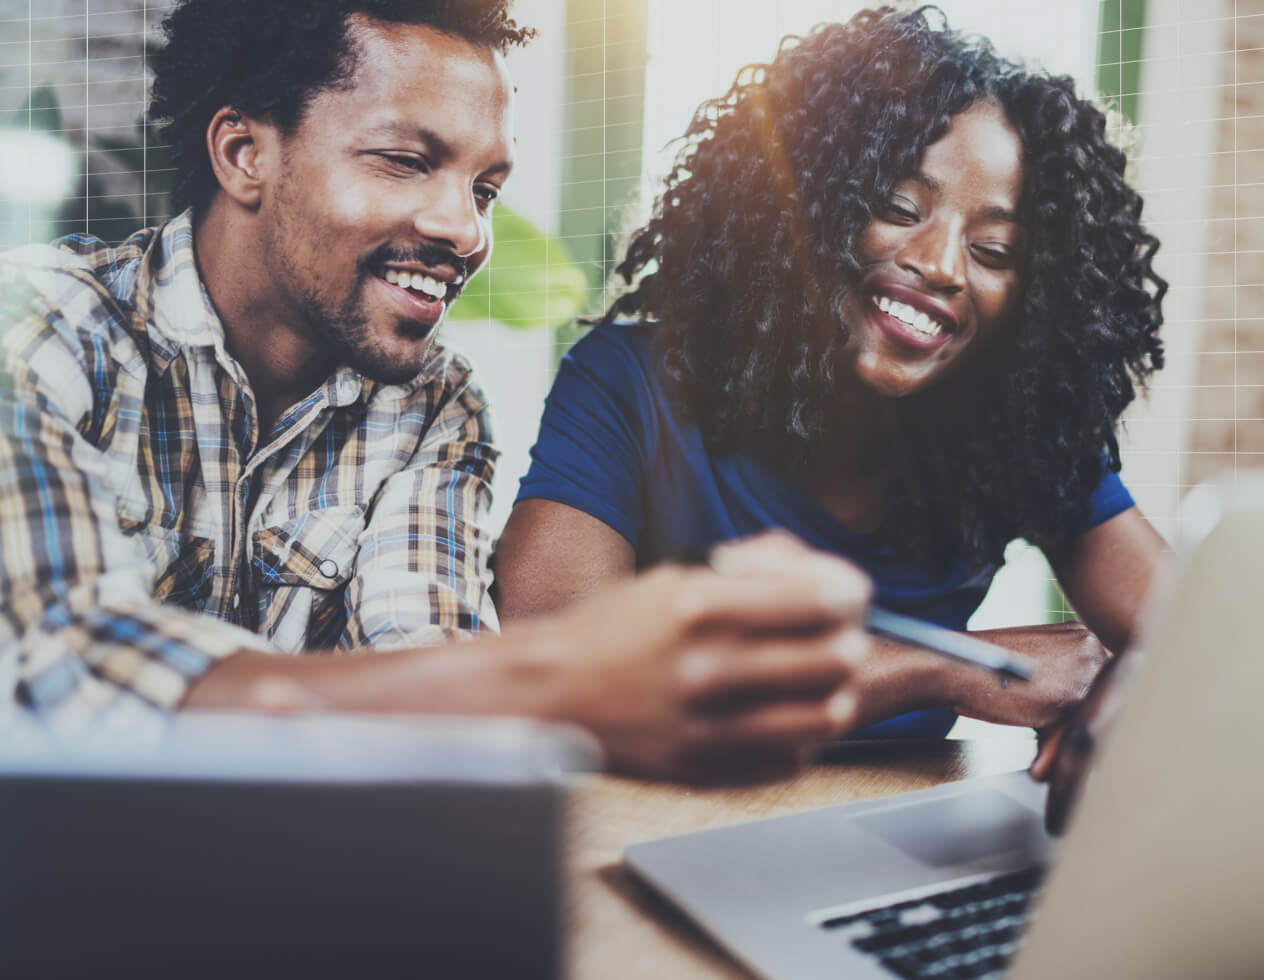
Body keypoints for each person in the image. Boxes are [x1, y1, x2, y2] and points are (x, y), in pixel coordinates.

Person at [0, 0, 877, 784]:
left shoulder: (433, 408)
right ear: (244, 154)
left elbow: (428, 666)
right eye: (405, 161)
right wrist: (566, 671)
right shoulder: (42, 332)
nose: (465, 229)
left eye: (485, 188)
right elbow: (67, 673)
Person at [495, 6, 1168, 744]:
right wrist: (945, 666)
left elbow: (1197, 653)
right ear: (800, 209)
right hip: (657, 840)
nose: (940, 265)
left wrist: (1123, 693)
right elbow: (561, 675)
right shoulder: (630, 384)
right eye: (898, 207)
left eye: (995, 251)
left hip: (894, 845)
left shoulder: (1020, 434)